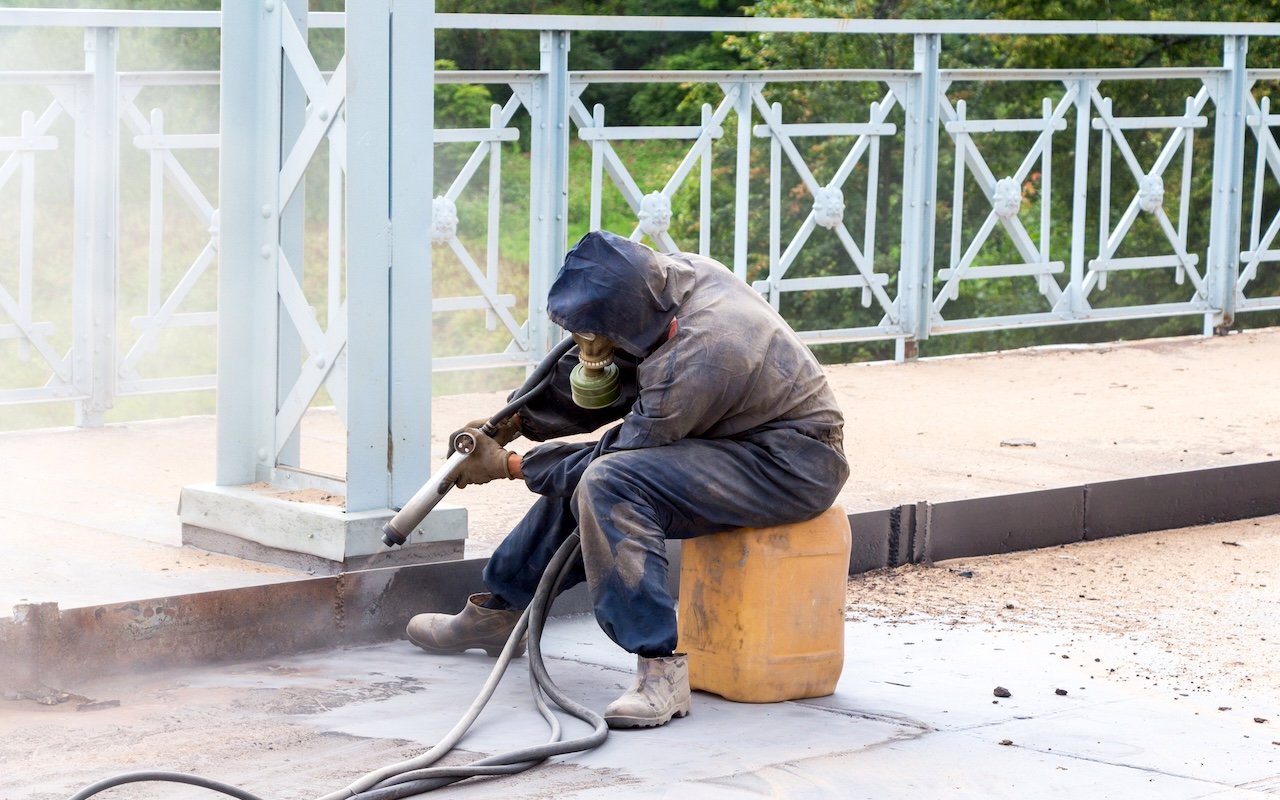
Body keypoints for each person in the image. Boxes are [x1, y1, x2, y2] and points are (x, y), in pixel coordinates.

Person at [406, 230, 849, 729]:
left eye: (597, 333)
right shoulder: (663, 284)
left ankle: (661, 671)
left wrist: (512, 466)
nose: (585, 345)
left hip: (791, 463)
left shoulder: (702, 353)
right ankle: (502, 611)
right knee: (596, 480)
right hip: (728, 430)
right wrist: (514, 419)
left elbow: (618, 454)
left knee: (610, 482)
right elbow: (598, 367)